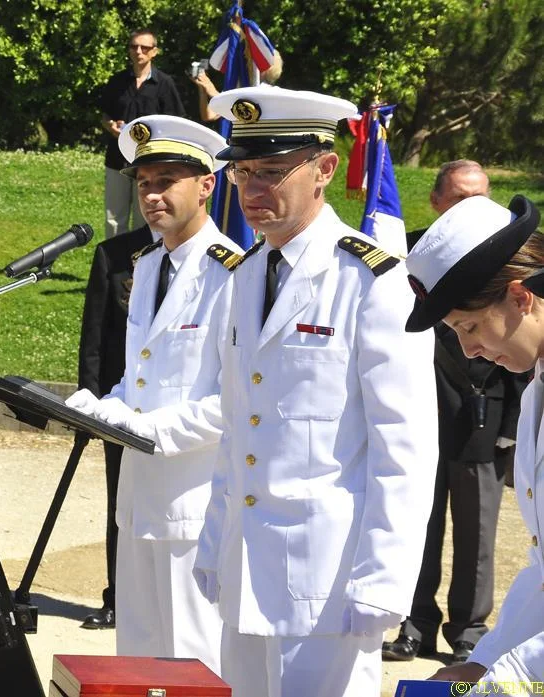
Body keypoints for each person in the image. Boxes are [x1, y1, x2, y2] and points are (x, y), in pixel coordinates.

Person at [193, 85, 438, 697]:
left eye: (272, 172)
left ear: (325, 168)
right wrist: (214, 537)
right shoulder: (245, 275)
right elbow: (237, 426)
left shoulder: (371, 280)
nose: (251, 191)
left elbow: (403, 447)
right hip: (246, 567)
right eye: (243, 172)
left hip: (329, 583)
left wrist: (385, 580)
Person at [66, 114, 239, 670]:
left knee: (195, 664)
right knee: (137, 663)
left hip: (195, 505)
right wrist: (103, 408)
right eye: (144, 182)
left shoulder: (233, 275)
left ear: (207, 184)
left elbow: (235, 404)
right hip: (138, 502)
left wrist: (144, 430)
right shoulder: (145, 266)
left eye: (167, 180)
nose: (152, 194)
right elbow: (137, 377)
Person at [383, 161, 526, 664]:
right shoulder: (418, 262)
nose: (467, 346)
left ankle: (469, 627)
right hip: (428, 418)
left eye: (470, 328)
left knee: (477, 537)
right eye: (462, 197)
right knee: (421, 526)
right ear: (437, 202)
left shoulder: (504, 272)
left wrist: (511, 431)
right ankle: (416, 623)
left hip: (482, 423)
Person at [401, 194, 544, 687]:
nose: (470, 351)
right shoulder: (537, 387)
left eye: (470, 327)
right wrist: (481, 662)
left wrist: (506, 678)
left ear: (521, 298)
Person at [75, 221, 153, 630]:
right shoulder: (117, 253)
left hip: (179, 415)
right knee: (120, 502)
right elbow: (94, 337)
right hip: (119, 407)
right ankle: (118, 597)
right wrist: (88, 406)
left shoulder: (220, 259)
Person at [99, 28, 185, 239]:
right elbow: (104, 115)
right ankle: (113, 268)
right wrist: (109, 126)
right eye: (134, 46)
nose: (139, 51)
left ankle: (142, 268)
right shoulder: (117, 81)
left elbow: (176, 123)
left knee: (145, 217)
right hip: (117, 159)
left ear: (154, 52)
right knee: (114, 217)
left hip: (149, 163)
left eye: (145, 47)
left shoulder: (164, 84)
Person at [191, 50, 283, 124]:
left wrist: (214, 93)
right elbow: (208, 116)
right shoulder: (239, 89)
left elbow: (246, 110)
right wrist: (203, 88)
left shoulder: (273, 92)